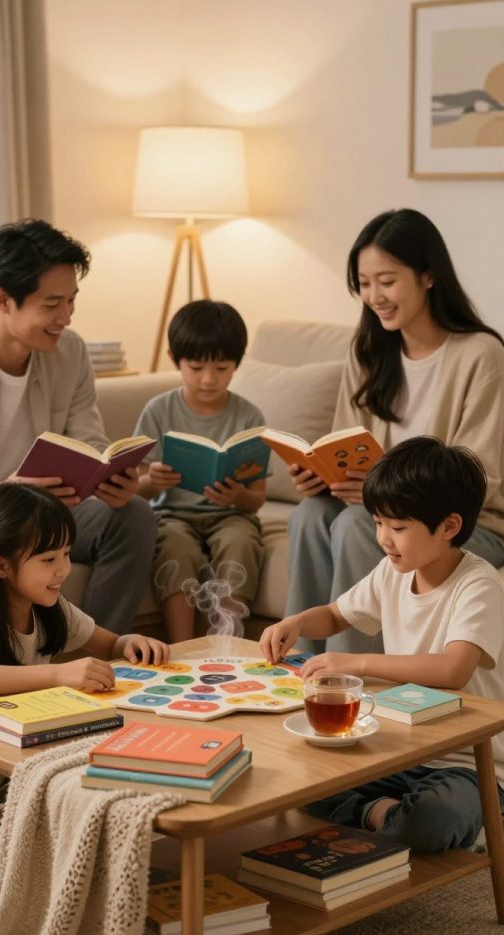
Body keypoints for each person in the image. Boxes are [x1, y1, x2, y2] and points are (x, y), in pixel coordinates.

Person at [261, 437, 504, 852]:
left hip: (467, 762)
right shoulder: (394, 571)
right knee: (298, 778)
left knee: (431, 821)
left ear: (449, 526)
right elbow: (336, 614)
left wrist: (357, 662)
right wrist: (296, 622)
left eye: (398, 528)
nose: (384, 539)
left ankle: (420, 815)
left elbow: (453, 669)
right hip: (402, 750)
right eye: (377, 523)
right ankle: (383, 813)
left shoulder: (478, 586)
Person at [0, 219, 157, 632]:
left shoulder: (71, 352)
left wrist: (111, 482)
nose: (65, 317)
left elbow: (90, 444)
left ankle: (104, 654)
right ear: (3, 299)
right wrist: (3, 492)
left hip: (37, 514)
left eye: (71, 300)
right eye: (51, 304)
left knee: (132, 516)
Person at [285, 208, 504, 655]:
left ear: (428, 276)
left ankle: (349, 676)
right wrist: (321, 476)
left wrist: (386, 490)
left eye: (386, 281)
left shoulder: (481, 355)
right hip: (383, 513)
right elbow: (343, 443)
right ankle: (295, 664)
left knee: (354, 524)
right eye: (364, 284)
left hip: (461, 525)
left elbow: (479, 476)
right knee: (309, 514)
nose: (374, 297)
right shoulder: (368, 352)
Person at [0, 482, 169, 859]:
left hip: (11, 763)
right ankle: (48, 827)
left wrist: (130, 642)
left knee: (81, 772)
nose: (63, 569)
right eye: (48, 559)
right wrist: (58, 675)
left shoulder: (50, 608)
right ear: (0, 565)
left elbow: (109, 643)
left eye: (66, 553)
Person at [134, 299, 266, 642]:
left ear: (237, 363)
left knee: (240, 543)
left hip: (232, 516)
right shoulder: (158, 411)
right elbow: (136, 489)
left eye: (222, 368)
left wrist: (237, 495)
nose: (209, 379)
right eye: (195, 368)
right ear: (174, 359)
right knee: (174, 547)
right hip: (172, 515)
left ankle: (228, 645)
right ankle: (181, 648)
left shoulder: (249, 416)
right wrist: (152, 481)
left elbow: (256, 500)